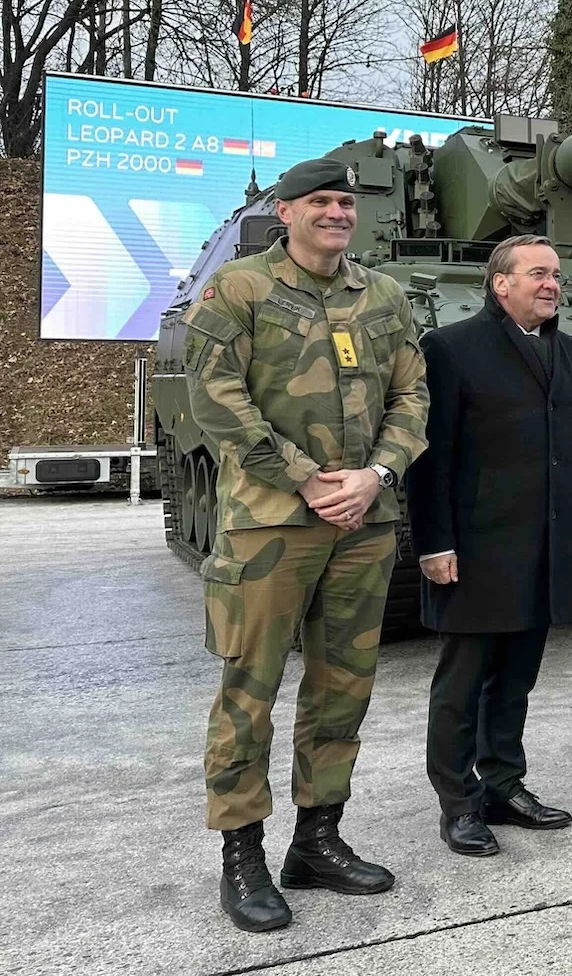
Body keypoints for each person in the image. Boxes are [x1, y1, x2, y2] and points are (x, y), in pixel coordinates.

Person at [179, 158, 428, 933]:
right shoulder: (242, 290)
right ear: (285, 211)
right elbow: (216, 398)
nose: (336, 213)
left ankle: (317, 840)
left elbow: (412, 394)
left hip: (362, 523)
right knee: (249, 692)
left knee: (342, 686)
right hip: (271, 525)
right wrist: (308, 478)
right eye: (320, 200)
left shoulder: (381, 295)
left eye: (345, 202)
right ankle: (242, 853)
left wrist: (377, 474)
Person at [408, 236, 572, 856]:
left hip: (543, 549)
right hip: (476, 550)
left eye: (556, 275)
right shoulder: (453, 349)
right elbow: (431, 457)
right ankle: (458, 802)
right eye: (537, 274)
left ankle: (503, 784)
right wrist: (434, 541)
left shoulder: (567, 354)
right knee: (462, 686)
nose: (551, 284)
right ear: (500, 284)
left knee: (516, 680)